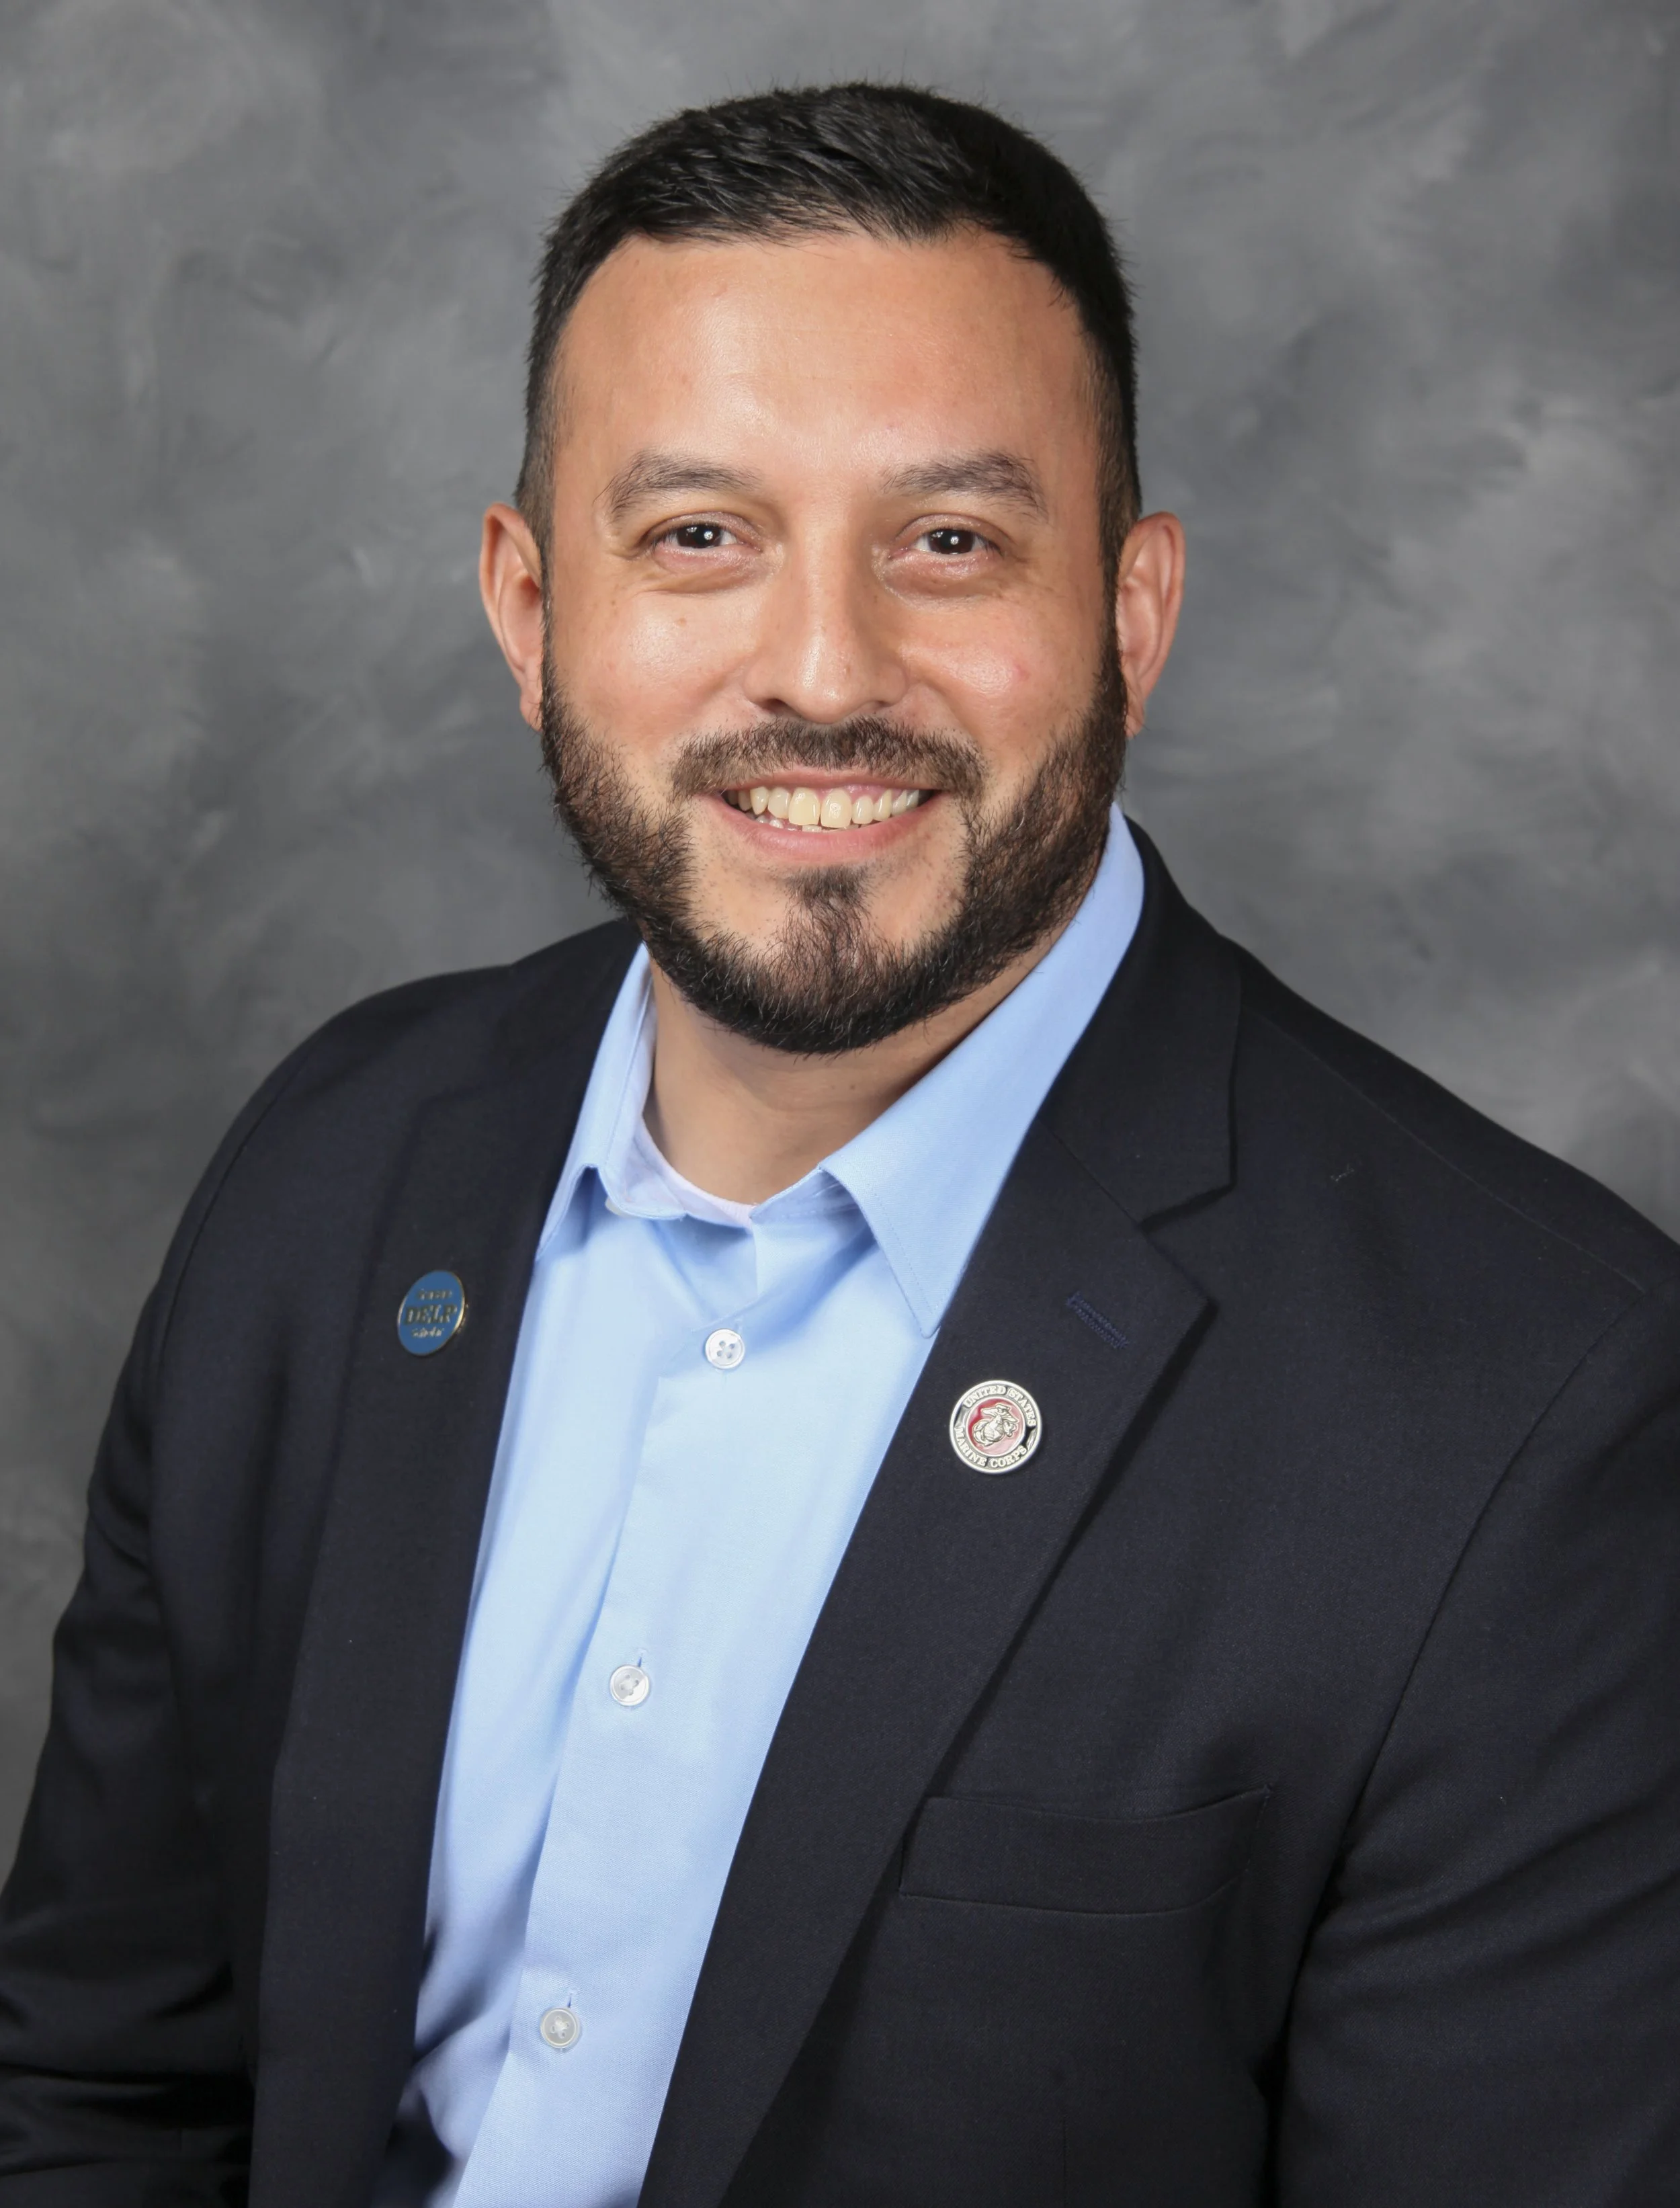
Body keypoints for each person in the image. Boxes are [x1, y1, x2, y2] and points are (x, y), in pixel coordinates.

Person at [1, 81, 1675, 2208]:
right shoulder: (333, 1176)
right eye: (697, 536)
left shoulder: (1540, 1413)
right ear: (528, 611)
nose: (821, 671)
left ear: (1132, 613)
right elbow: (92, 2083)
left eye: (949, 542)